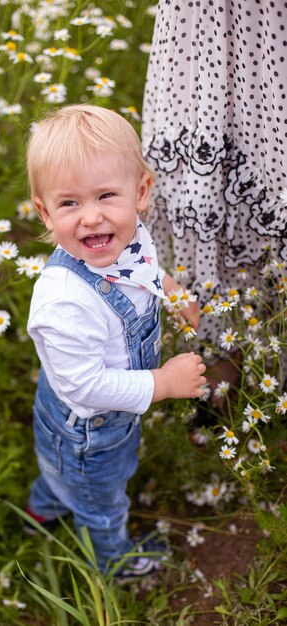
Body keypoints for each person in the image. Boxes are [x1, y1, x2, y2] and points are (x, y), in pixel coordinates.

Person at [25, 104, 206, 578]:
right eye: (69, 203)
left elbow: (142, 268)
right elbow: (85, 387)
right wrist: (163, 383)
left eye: (106, 195)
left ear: (140, 192)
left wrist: (168, 288)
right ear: (44, 210)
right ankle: (114, 561)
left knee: (62, 473)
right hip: (89, 427)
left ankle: (44, 508)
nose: (90, 217)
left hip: (90, 417)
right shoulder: (64, 301)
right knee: (100, 497)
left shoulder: (126, 240)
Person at [141, 1, 287, 402]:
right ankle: (230, 344)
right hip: (210, 19)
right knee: (213, 141)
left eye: (106, 196)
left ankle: (262, 346)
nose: (92, 218)